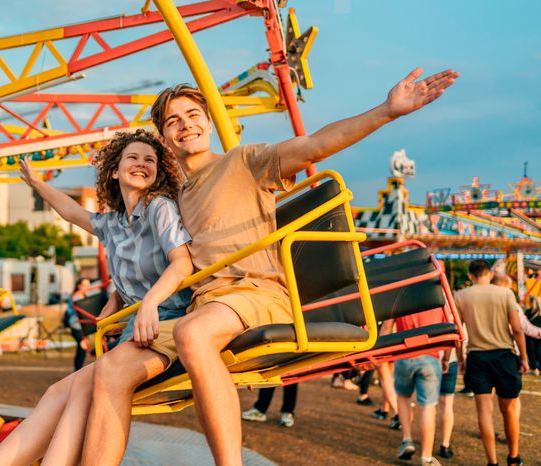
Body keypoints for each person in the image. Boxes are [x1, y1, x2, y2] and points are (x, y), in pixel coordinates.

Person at [81, 67, 458, 466]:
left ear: (208, 122)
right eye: (174, 120)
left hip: (254, 293)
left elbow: (314, 145)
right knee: (108, 370)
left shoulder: (244, 161)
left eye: (192, 115)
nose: (185, 125)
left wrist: (386, 111)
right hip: (204, 306)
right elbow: (145, 256)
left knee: (193, 334)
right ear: (164, 138)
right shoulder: (174, 198)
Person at [0, 129, 193, 466]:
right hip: (134, 329)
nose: (141, 163)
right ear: (114, 170)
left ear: (157, 172)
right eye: (133, 158)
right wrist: (36, 183)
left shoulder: (159, 209)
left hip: (164, 318)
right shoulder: (114, 224)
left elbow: (182, 262)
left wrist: (148, 302)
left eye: (149, 160)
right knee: (56, 392)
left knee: (82, 388)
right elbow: (70, 211)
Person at [455, 261, 530, 466]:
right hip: (504, 356)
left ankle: (492, 462)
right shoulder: (505, 294)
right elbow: (516, 329)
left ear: (470, 276)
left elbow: (458, 334)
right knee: (509, 409)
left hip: (477, 357)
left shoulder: (460, 296)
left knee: (484, 413)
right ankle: (513, 457)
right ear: (489, 273)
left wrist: (460, 360)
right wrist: (523, 358)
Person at [381, 308, 450, 465]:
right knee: (427, 406)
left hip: (404, 355)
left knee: (403, 397)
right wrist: (446, 357)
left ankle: (407, 440)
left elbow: (386, 327)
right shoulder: (437, 296)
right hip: (430, 356)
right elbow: (448, 326)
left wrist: (382, 355)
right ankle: (426, 456)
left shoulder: (401, 294)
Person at [64, 278, 92, 371]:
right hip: (76, 325)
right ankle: (77, 370)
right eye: (85, 285)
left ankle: (78, 369)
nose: (87, 287)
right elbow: (70, 311)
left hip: (84, 326)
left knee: (83, 349)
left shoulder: (86, 297)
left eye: (88, 285)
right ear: (79, 286)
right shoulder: (75, 297)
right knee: (82, 346)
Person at [437, 348, 458, 459]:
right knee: (447, 403)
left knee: (427, 405)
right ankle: (445, 444)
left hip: (428, 358)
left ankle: (427, 442)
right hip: (450, 360)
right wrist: (446, 358)